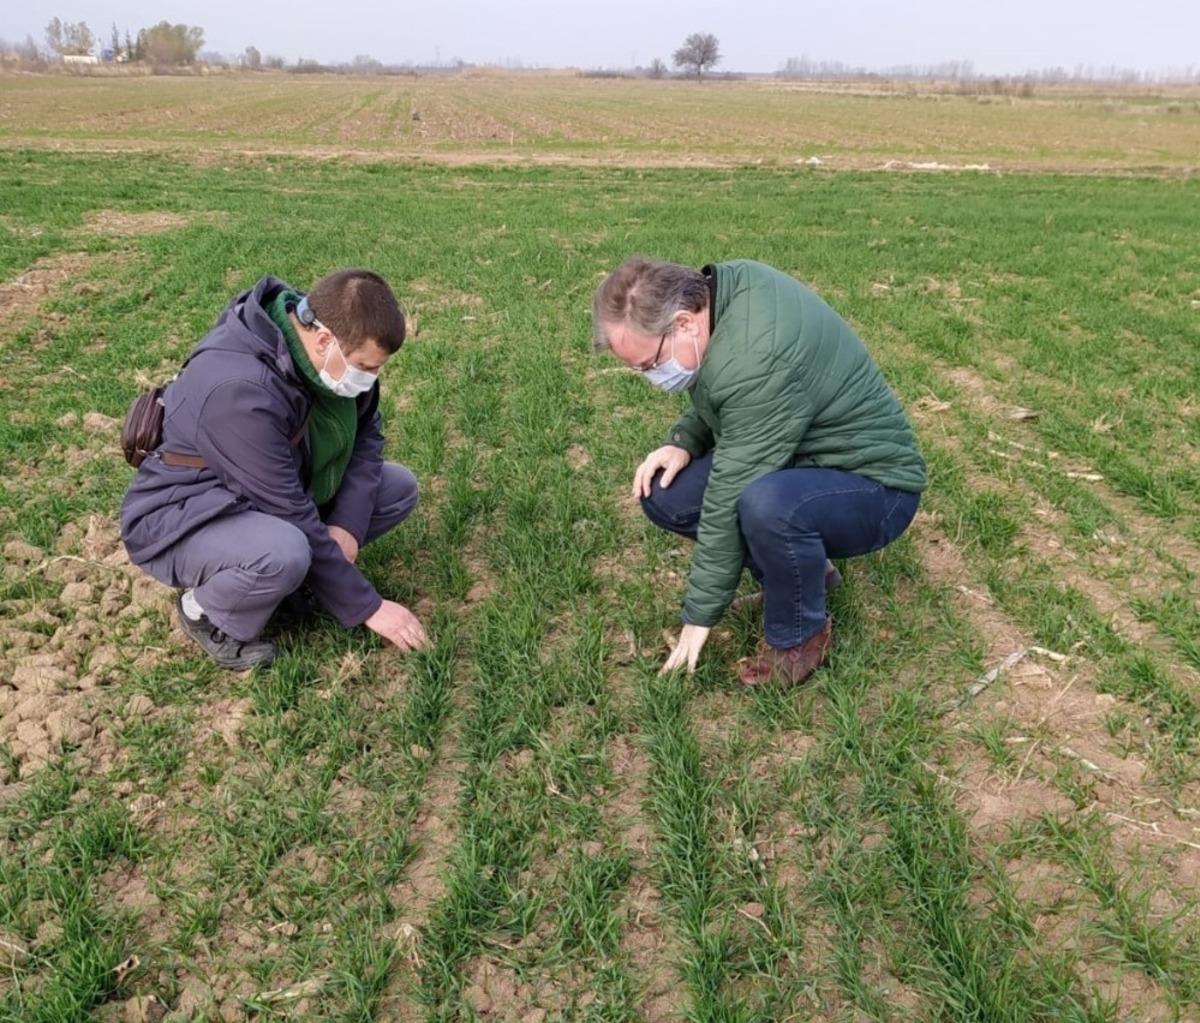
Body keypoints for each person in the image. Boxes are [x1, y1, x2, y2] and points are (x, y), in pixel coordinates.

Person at [592, 257, 926, 687]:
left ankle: (801, 637)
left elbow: (728, 493)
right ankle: (806, 574)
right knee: (666, 492)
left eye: (649, 364)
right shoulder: (725, 297)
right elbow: (722, 392)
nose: (652, 377)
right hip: (802, 454)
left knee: (766, 505)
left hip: (876, 487)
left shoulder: (756, 353)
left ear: (684, 324)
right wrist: (683, 441)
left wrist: (699, 618)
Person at [120, 269, 428, 670]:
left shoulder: (332, 350)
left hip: (267, 490)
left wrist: (349, 526)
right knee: (285, 551)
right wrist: (369, 608)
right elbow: (288, 508)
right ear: (323, 341)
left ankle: (297, 583)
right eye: (365, 367)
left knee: (396, 489)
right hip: (184, 513)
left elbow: (367, 438)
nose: (371, 379)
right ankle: (205, 611)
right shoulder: (239, 391)